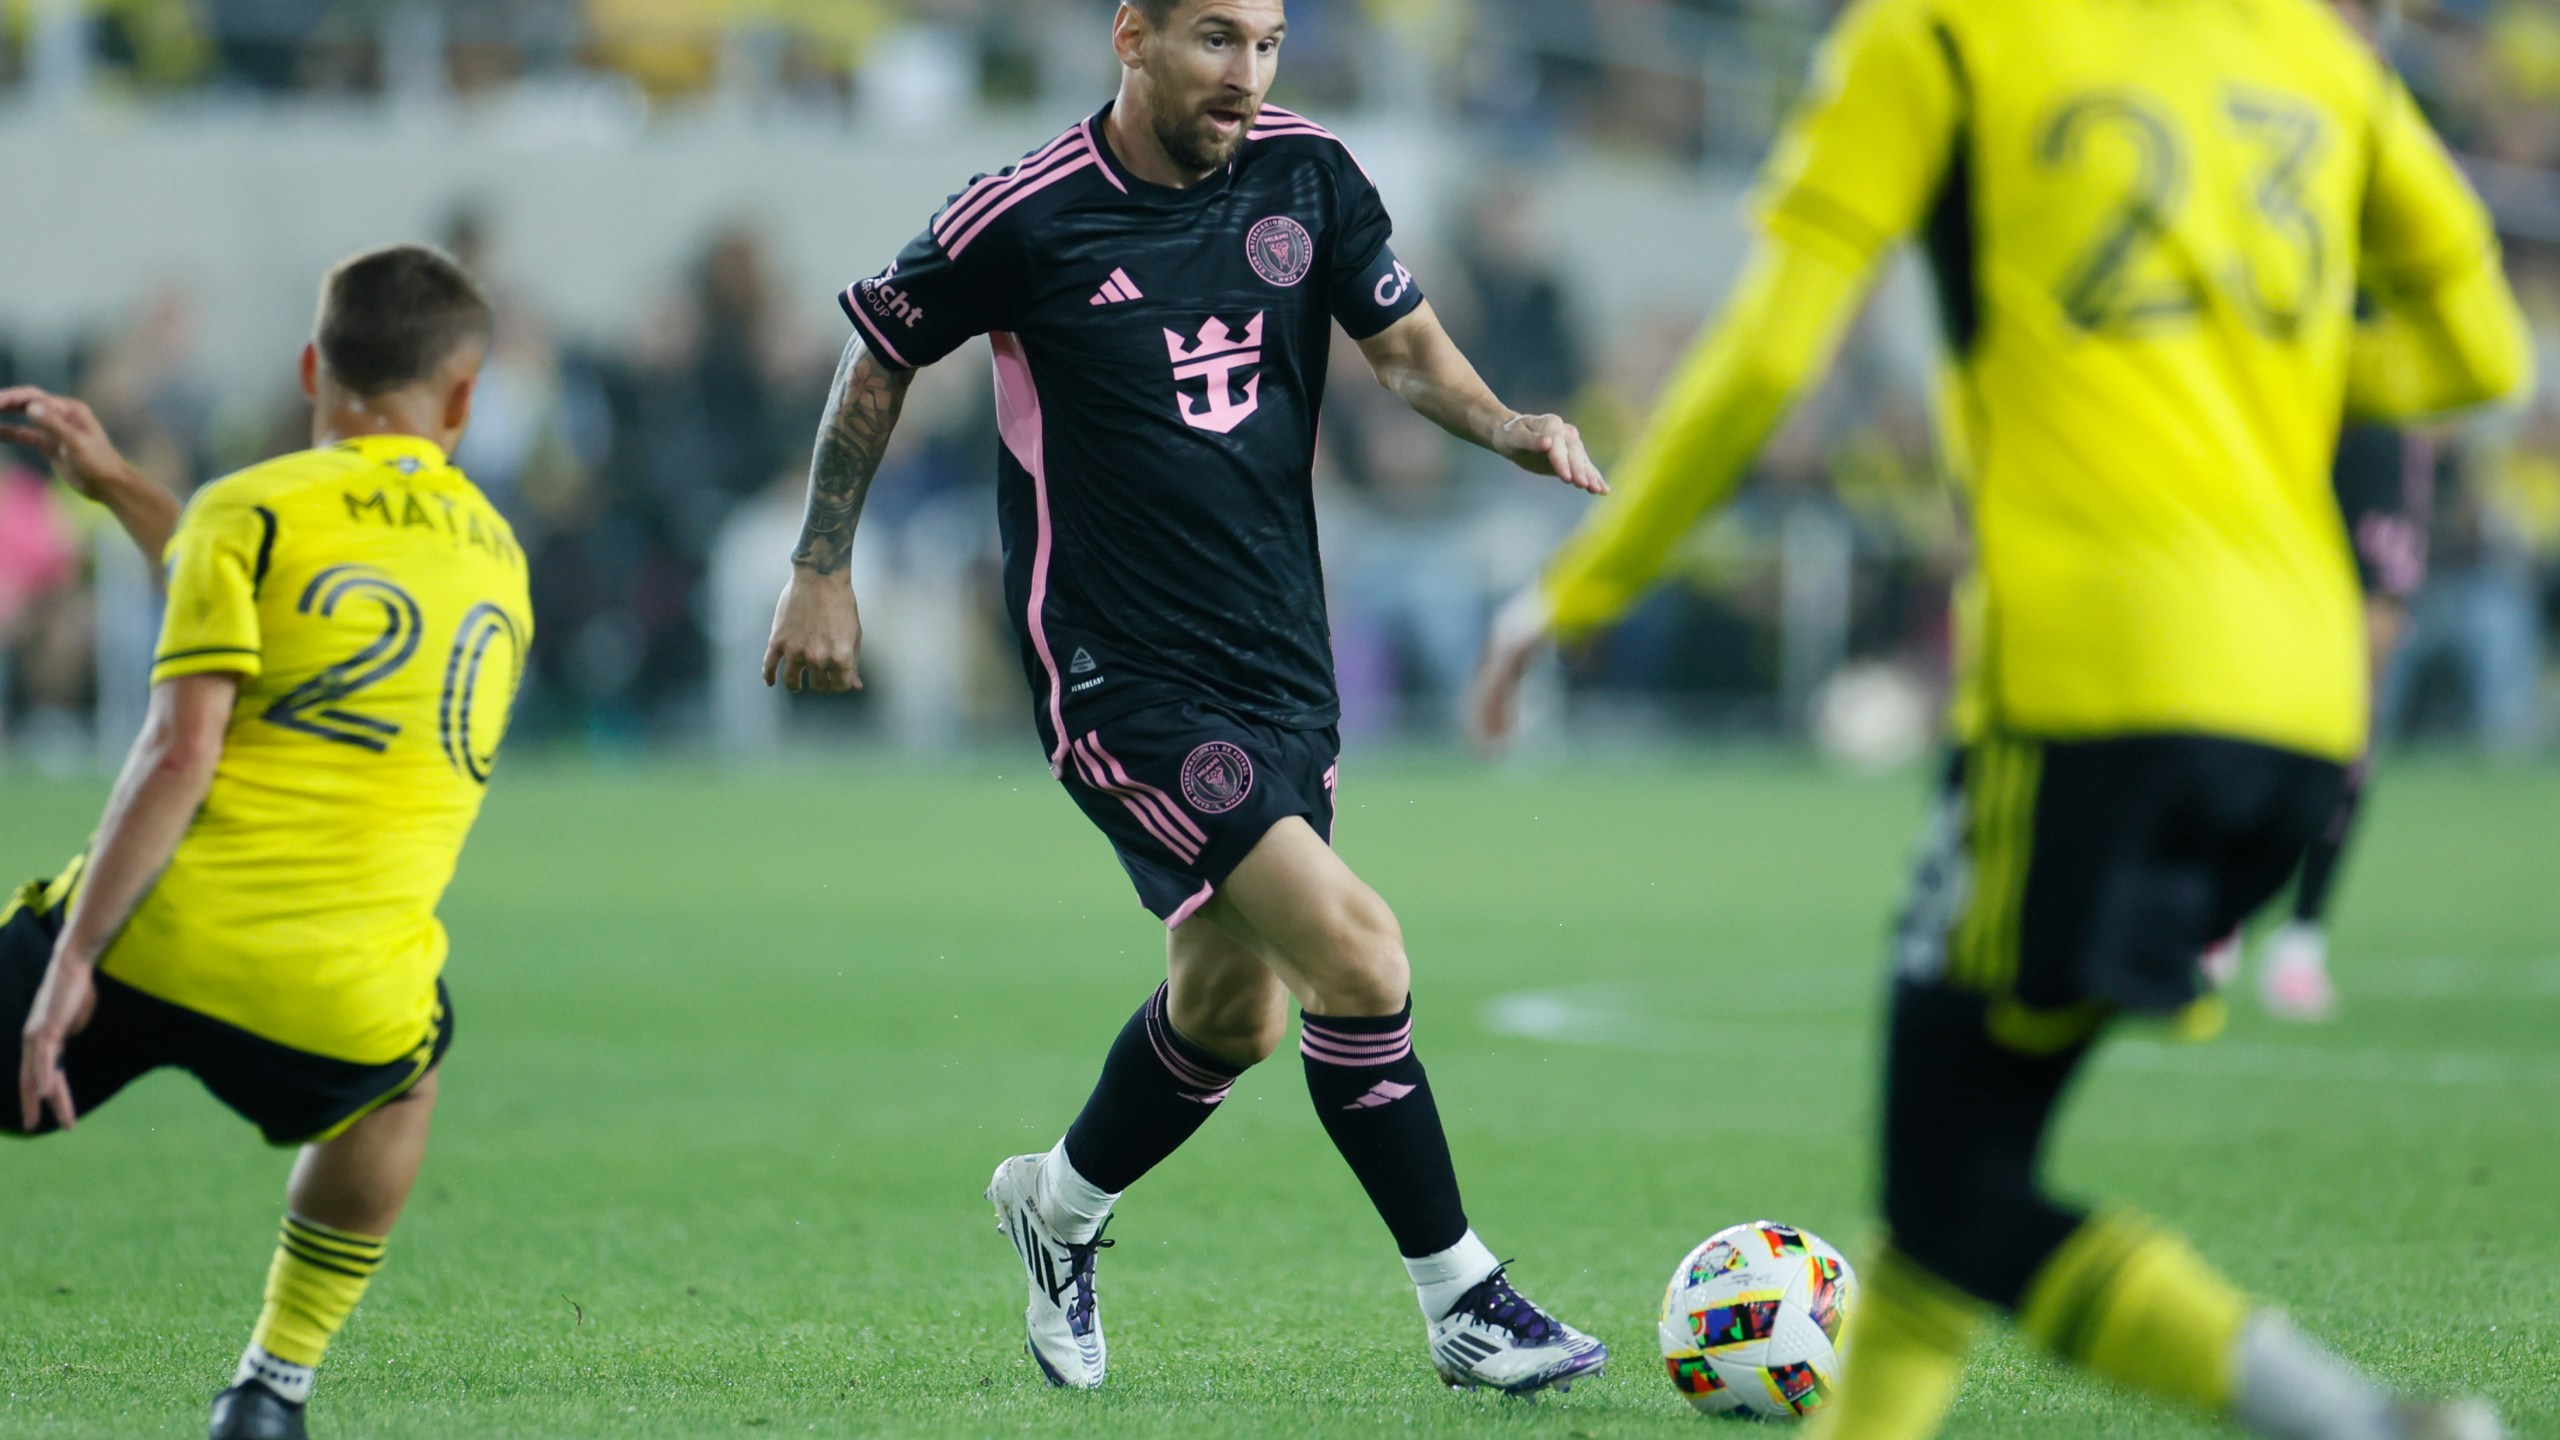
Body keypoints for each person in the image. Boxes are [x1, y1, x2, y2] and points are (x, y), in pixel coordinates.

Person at [1470, 0, 2528, 1435]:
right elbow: (2478, 356)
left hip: (2095, 695)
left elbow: (1772, 358)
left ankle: (2358, 1421)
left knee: (1955, 1192)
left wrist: (1574, 592)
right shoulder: (2316, 57)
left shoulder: (1941, 40)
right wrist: (2251, 377)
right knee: (1960, 1187)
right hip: (2304, 705)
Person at [762, 0, 1612, 1397]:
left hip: (1281, 654)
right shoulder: (1023, 215)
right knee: (1360, 956)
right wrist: (819, 567)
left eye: (1270, 43)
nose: (1249, 75)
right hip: (1119, 672)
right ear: (1132, 36)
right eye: (1217, 40)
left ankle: (1055, 1207)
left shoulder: (1310, 176)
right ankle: (1465, 1299)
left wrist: (1509, 426)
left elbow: (1401, 348)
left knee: (1234, 1013)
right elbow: (882, 352)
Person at [2, 245, 530, 1440]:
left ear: (311, 369)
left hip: (153, 942)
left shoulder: (250, 507)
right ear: (462, 400)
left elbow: (182, 750)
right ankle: (272, 1389)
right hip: (339, 1001)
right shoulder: (499, 559)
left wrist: (71, 962)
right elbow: (306, 607)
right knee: (409, 1076)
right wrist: (125, 486)